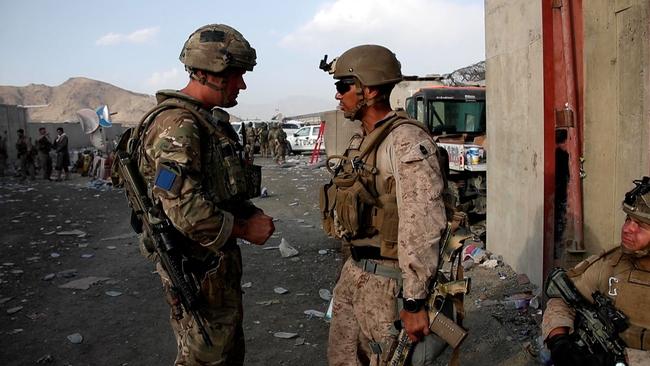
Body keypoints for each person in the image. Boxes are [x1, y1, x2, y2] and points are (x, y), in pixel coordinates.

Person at [117, 24, 274, 365]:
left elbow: (216, 191)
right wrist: (246, 229)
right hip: (198, 270)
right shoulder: (179, 125)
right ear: (208, 73)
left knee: (225, 352)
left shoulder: (204, 122)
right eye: (236, 75)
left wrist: (245, 212)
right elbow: (186, 210)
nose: (242, 85)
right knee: (206, 358)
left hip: (212, 268)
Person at [320, 45, 448, 365]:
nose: (338, 95)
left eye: (343, 86)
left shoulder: (404, 140)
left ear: (371, 90)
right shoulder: (361, 141)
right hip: (355, 273)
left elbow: (423, 221)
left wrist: (415, 301)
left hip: (387, 284)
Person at [542, 176, 650, 366]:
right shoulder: (611, 264)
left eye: (640, 225)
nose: (627, 229)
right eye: (628, 219)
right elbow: (562, 296)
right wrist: (558, 340)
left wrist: (621, 361)